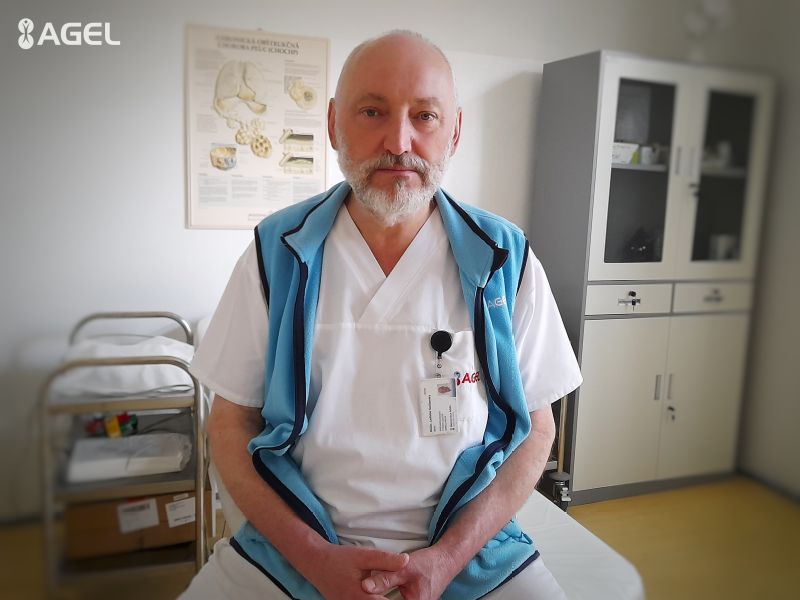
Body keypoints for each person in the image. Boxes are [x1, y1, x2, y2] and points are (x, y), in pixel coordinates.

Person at [182, 30, 582, 600]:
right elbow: (228, 425)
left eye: (425, 116)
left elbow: (538, 428)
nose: (398, 141)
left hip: (468, 551)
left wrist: (447, 559)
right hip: (298, 545)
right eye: (372, 112)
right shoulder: (278, 252)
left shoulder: (503, 258)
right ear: (333, 125)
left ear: (454, 131)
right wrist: (315, 559)